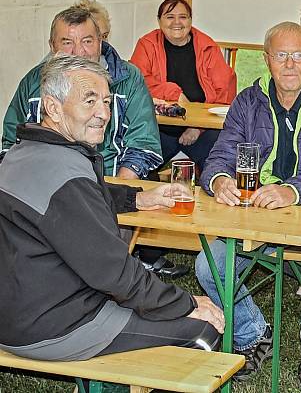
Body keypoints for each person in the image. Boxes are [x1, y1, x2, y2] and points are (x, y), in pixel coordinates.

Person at [0, 54, 223, 365]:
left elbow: (81, 199)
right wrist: (186, 304)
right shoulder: (66, 177)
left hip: (19, 312)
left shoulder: (22, 154)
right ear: (52, 107)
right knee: (204, 330)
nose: (103, 113)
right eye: (89, 101)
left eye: (106, 102)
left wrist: (138, 199)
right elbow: (116, 275)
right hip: (55, 326)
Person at [195, 22, 301, 389]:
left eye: (298, 55)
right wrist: (219, 181)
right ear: (266, 60)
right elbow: (220, 156)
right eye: (280, 55)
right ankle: (253, 334)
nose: (289, 64)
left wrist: (291, 191)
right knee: (209, 264)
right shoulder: (248, 101)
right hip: (259, 209)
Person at [1, 6, 188, 279]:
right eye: (68, 42)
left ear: (101, 41)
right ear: (52, 46)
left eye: (87, 41)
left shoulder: (128, 79)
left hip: (112, 185)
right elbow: (10, 142)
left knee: (97, 267)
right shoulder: (33, 83)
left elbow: (143, 143)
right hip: (49, 192)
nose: (78, 51)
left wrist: (116, 195)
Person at [130, 0, 237, 172]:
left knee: (220, 169)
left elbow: (225, 90)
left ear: (190, 20)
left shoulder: (207, 46)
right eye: (170, 17)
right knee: (138, 170)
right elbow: (137, 81)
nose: (177, 22)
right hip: (157, 129)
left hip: (202, 131)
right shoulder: (147, 44)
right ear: (159, 21)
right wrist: (173, 93)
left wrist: (197, 127)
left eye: (183, 17)